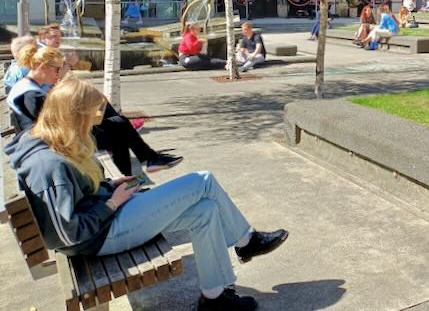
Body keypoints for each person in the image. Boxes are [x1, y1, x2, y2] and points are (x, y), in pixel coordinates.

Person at [6, 76, 289, 311]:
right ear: (73, 117)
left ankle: (214, 297)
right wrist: (112, 204)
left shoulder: (53, 141)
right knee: (203, 181)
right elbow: (66, 234)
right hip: (98, 237)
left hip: (107, 219)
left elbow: (81, 195)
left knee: (206, 211)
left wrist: (110, 189)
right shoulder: (48, 165)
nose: (94, 126)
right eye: (89, 119)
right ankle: (246, 241)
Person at [7, 46, 181, 175]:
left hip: (59, 134)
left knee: (113, 118)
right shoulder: (29, 95)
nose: (60, 73)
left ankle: (141, 169)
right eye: (58, 69)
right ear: (43, 66)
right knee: (118, 128)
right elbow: (53, 125)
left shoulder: (31, 87)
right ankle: (144, 164)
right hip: (59, 141)